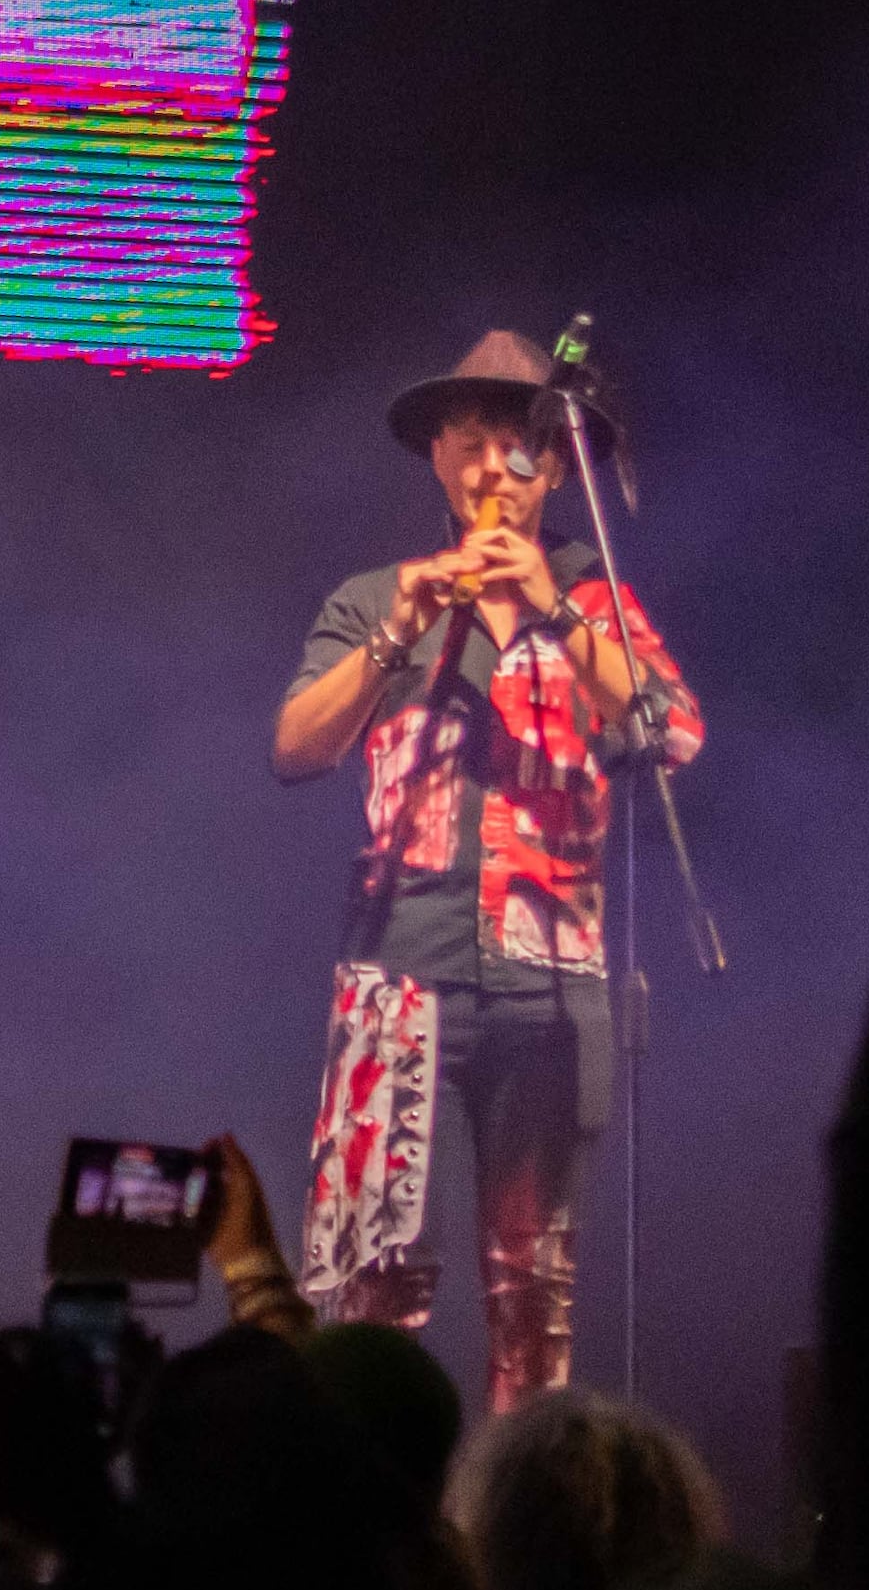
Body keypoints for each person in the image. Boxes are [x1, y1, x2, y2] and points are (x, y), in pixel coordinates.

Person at [275, 330, 702, 1406]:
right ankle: (374, 1526)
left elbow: (673, 732)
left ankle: (522, 1536)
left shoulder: (593, 599)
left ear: (552, 468)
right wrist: (394, 637)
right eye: (468, 445)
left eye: (515, 451)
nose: (489, 472)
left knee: (531, 1288)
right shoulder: (375, 594)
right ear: (437, 458)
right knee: (373, 1283)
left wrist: (554, 613)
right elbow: (294, 750)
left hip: (550, 981)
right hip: (396, 977)